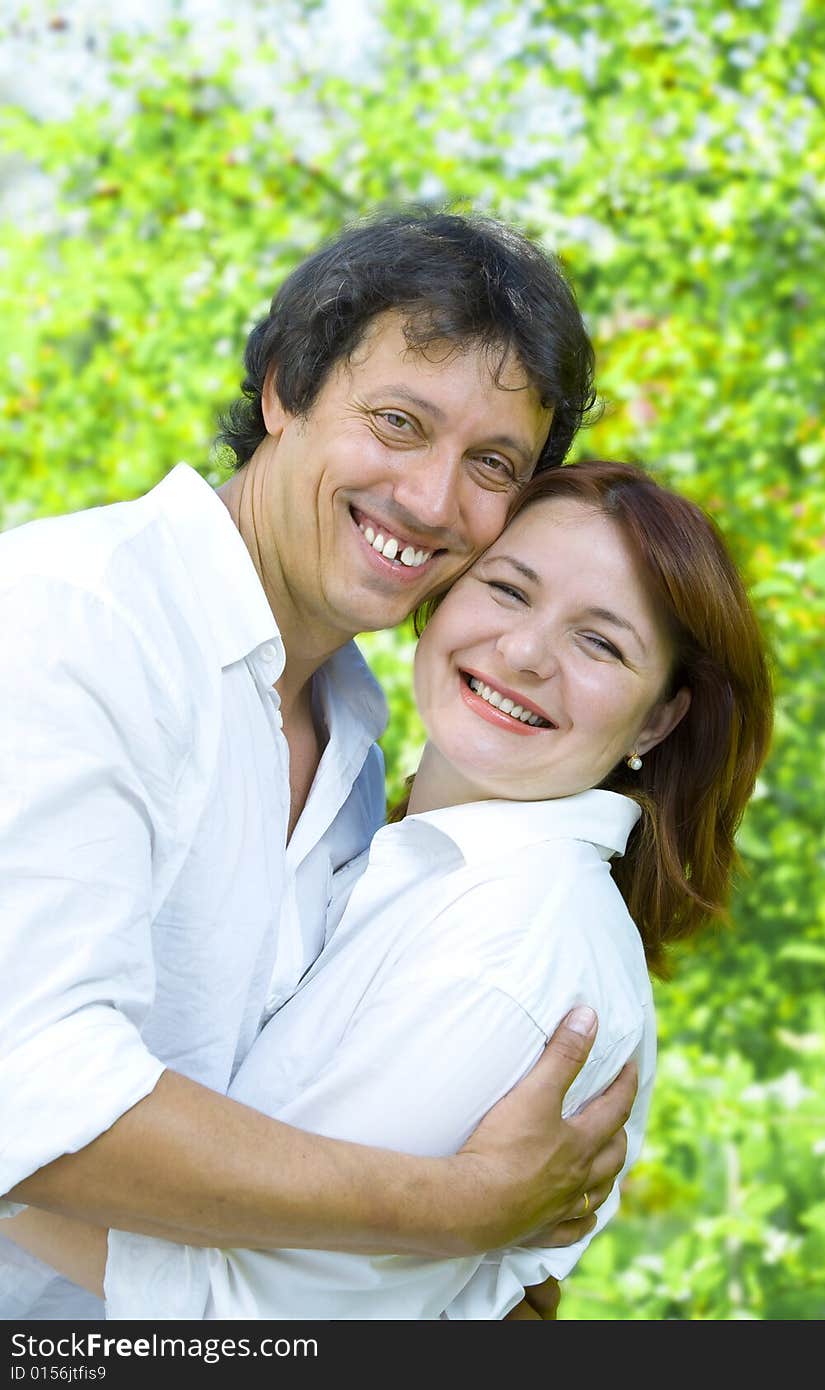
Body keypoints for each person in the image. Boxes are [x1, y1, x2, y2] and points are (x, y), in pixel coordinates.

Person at [0, 209, 636, 1321]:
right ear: (285, 387)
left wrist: (505, 1266)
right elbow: (32, 1092)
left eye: (492, 464)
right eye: (397, 421)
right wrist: (456, 1209)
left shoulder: (360, 741)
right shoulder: (70, 622)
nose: (432, 502)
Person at [7, 460, 774, 1319]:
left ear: (657, 719)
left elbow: (260, 1312)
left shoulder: (514, 941)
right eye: (509, 590)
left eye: (599, 642)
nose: (523, 653)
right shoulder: (374, 823)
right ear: (443, 594)